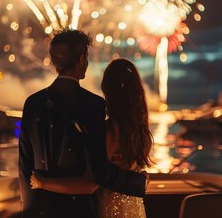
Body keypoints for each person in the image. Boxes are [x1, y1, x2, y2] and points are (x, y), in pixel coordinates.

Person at [18, 29, 148, 217]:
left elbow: (24, 166)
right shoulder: (93, 105)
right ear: (81, 59)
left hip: (41, 210)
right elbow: (98, 172)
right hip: (80, 210)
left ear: (55, 61)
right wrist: (137, 183)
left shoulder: (33, 103)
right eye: (86, 56)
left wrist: (28, 211)